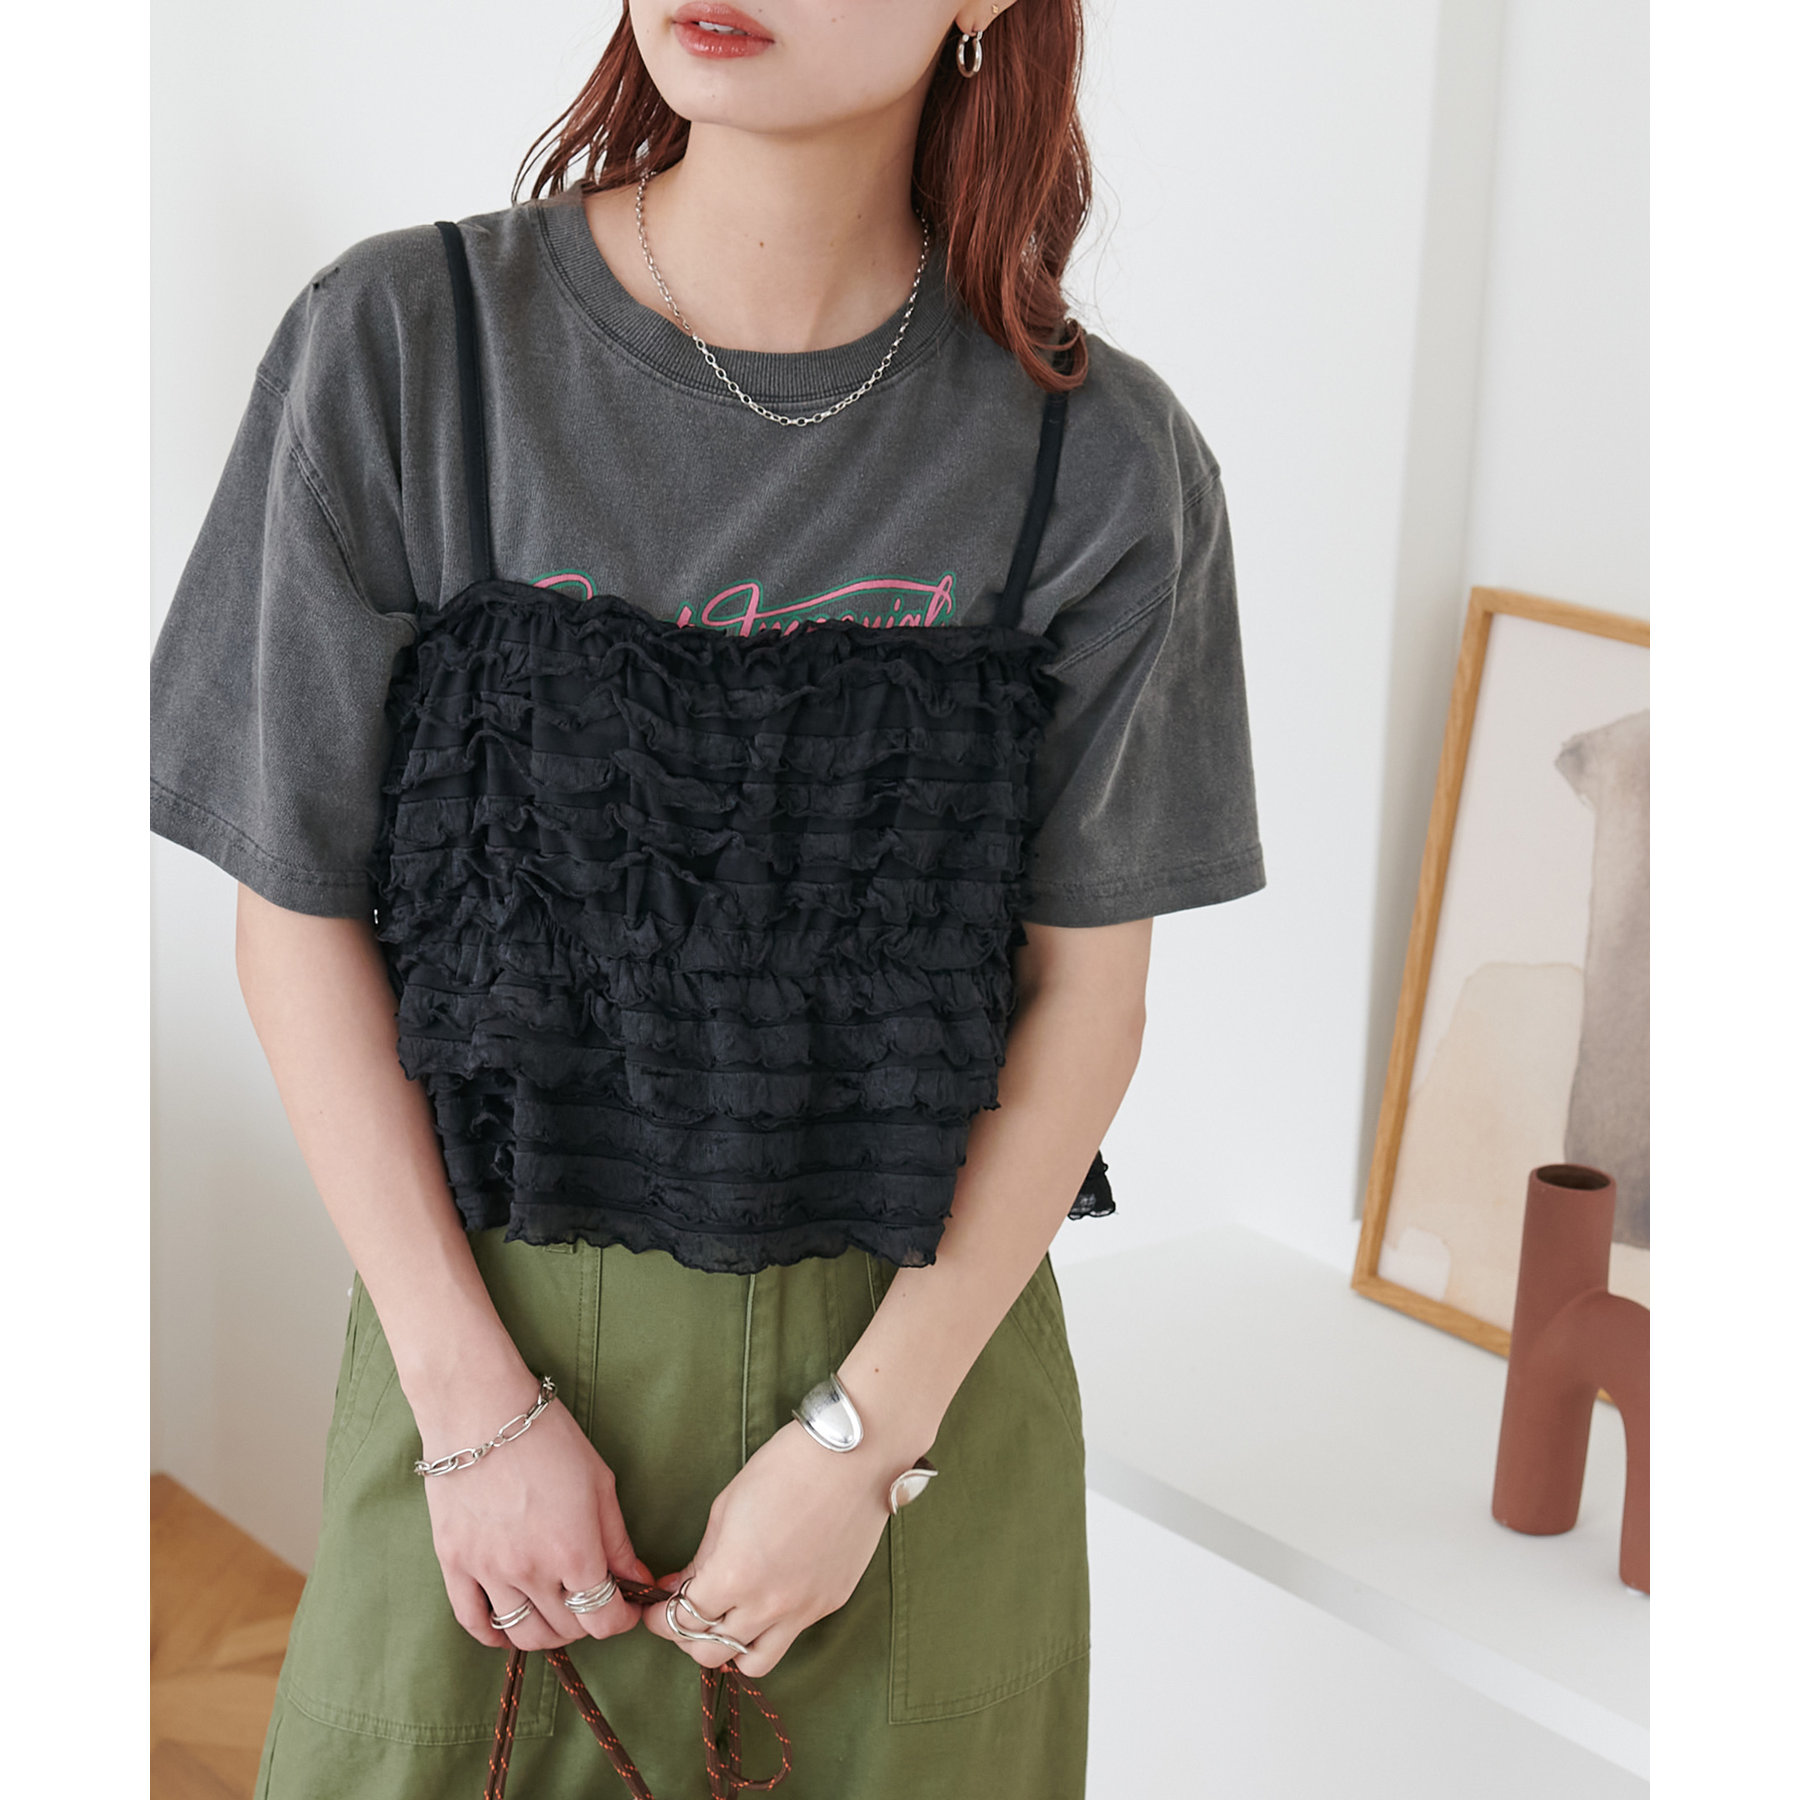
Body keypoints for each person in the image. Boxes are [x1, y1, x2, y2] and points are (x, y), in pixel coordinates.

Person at [150, 3, 1264, 1795]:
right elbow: (296, 920)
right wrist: (473, 1411)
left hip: (909, 1436)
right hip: (482, 1396)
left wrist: (862, 1447)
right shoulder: (408, 345)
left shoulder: (1102, 458)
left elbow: (1088, 1000)